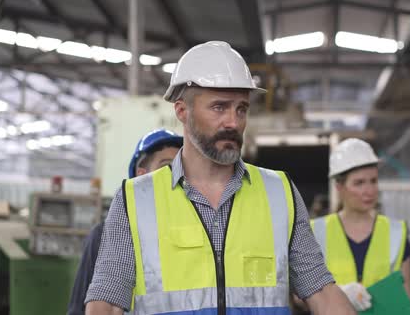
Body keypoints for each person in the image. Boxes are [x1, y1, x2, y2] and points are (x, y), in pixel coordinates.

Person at [85, 41, 356, 315]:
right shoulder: (135, 200)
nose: (233, 122)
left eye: (241, 108)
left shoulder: (279, 192)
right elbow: (106, 302)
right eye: (219, 107)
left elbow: (320, 291)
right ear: (182, 111)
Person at [67, 128, 183, 315]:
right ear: (142, 175)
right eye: (167, 166)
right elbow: (78, 308)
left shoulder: (192, 232)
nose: (176, 176)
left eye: (181, 168)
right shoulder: (105, 235)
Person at [311, 138, 410, 312]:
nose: (369, 190)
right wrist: (338, 294)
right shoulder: (315, 231)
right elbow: (299, 297)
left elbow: (405, 298)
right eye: (359, 183)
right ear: (339, 187)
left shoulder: (396, 232)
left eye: (373, 181)